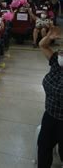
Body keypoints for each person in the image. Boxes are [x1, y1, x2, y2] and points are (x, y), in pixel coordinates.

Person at [37, 26, 63, 168]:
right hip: (51, 115)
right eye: (60, 50)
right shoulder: (56, 65)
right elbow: (42, 45)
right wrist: (49, 37)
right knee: (43, 148)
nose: (60, 53)